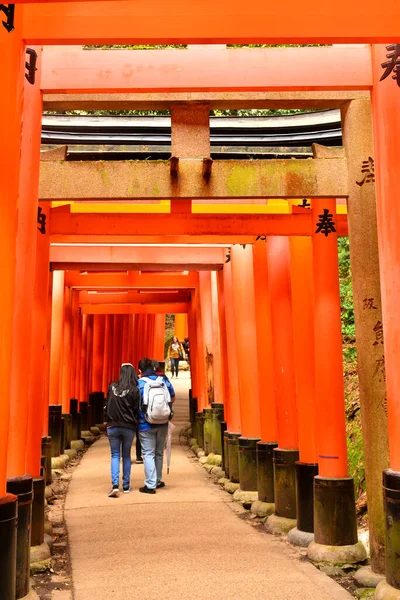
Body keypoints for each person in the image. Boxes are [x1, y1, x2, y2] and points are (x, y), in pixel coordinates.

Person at [137, 357, 175, 494]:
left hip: (145, 424)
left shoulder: (139, 383)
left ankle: (150, 484)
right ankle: (158, 480)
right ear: (153, 367)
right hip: (163, 422)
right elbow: (173, 397)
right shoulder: (163, 380)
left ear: (140, 370)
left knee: (148, 453)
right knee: (159, 452)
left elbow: (136, 403)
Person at [104, 363, 140, 497]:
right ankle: (125, 485)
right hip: (128, 427)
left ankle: (114, 485)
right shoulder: (134, 390)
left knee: (114, 455)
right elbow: (137, 409)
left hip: (112, 425)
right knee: (126, 455)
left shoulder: (112, 387)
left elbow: (106, 405)